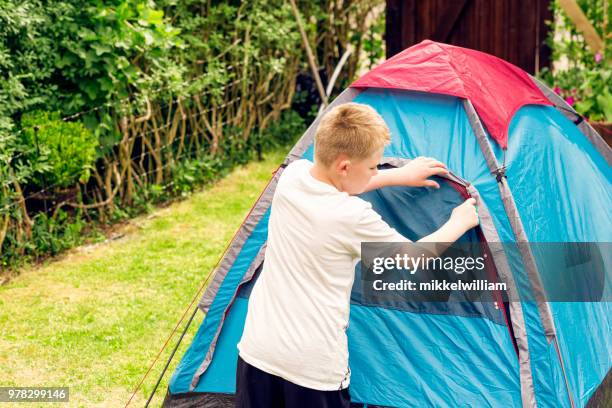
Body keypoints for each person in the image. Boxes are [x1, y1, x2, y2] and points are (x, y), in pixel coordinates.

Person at [236, 102, 479, 407]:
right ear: (345, 166)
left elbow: (338, 185)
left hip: (258, 353)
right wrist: (459, 222)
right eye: (374, 166)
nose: (377, 171)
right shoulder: (352, 216)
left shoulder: (292, 176)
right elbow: (413, 258)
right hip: (311, 371)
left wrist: (396, 176)